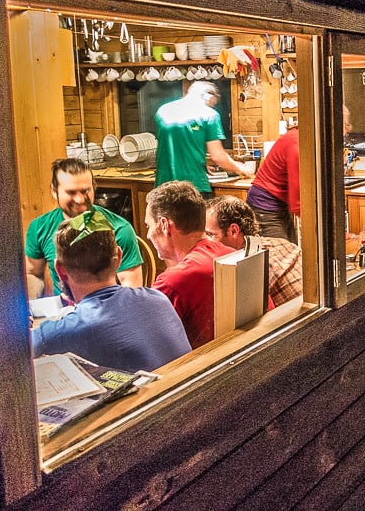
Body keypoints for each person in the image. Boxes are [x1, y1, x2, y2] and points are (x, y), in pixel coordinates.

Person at [31, 210, 190, 371]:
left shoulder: (64, 331)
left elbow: (13, 349)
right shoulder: (159, 299)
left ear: (60, 269)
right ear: (119, 258)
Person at [25, 158, 143, 299]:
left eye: (85, 191)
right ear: (54, 191)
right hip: (63, 314)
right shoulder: (39, 227)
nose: (80, 200)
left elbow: (131, 293)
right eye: (71, 192)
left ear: (94, 187)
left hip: (107, 313)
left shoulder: (119, 229)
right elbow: (33, 274)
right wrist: (31, 308)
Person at [145, 180, 239, 348]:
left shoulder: (172, 282)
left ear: (164, 225)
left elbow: (147, 344)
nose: (148, 235)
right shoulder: (234, 256)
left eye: (149, 225)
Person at [154, 81, 253, 196]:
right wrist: (241, 168)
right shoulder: (209, 115)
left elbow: (176, 144)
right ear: (209, 96)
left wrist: (200, 163)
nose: (212, 107)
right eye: (213, 104)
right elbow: (218, 156)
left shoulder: (163, 111)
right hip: (193, 186)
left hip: (162, 187)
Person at [206, 195, 303, 307]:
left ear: (234, 231)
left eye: (210, 234)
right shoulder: (281, 243)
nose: (206, 241)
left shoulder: (248, 267)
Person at [246, 123, 300, 242]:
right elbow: (297, 204)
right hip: (264, 207)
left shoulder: (301, 139)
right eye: (345, 126)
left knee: (292, 251)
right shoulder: (296, 144)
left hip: (279, 205)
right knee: (281, 256)